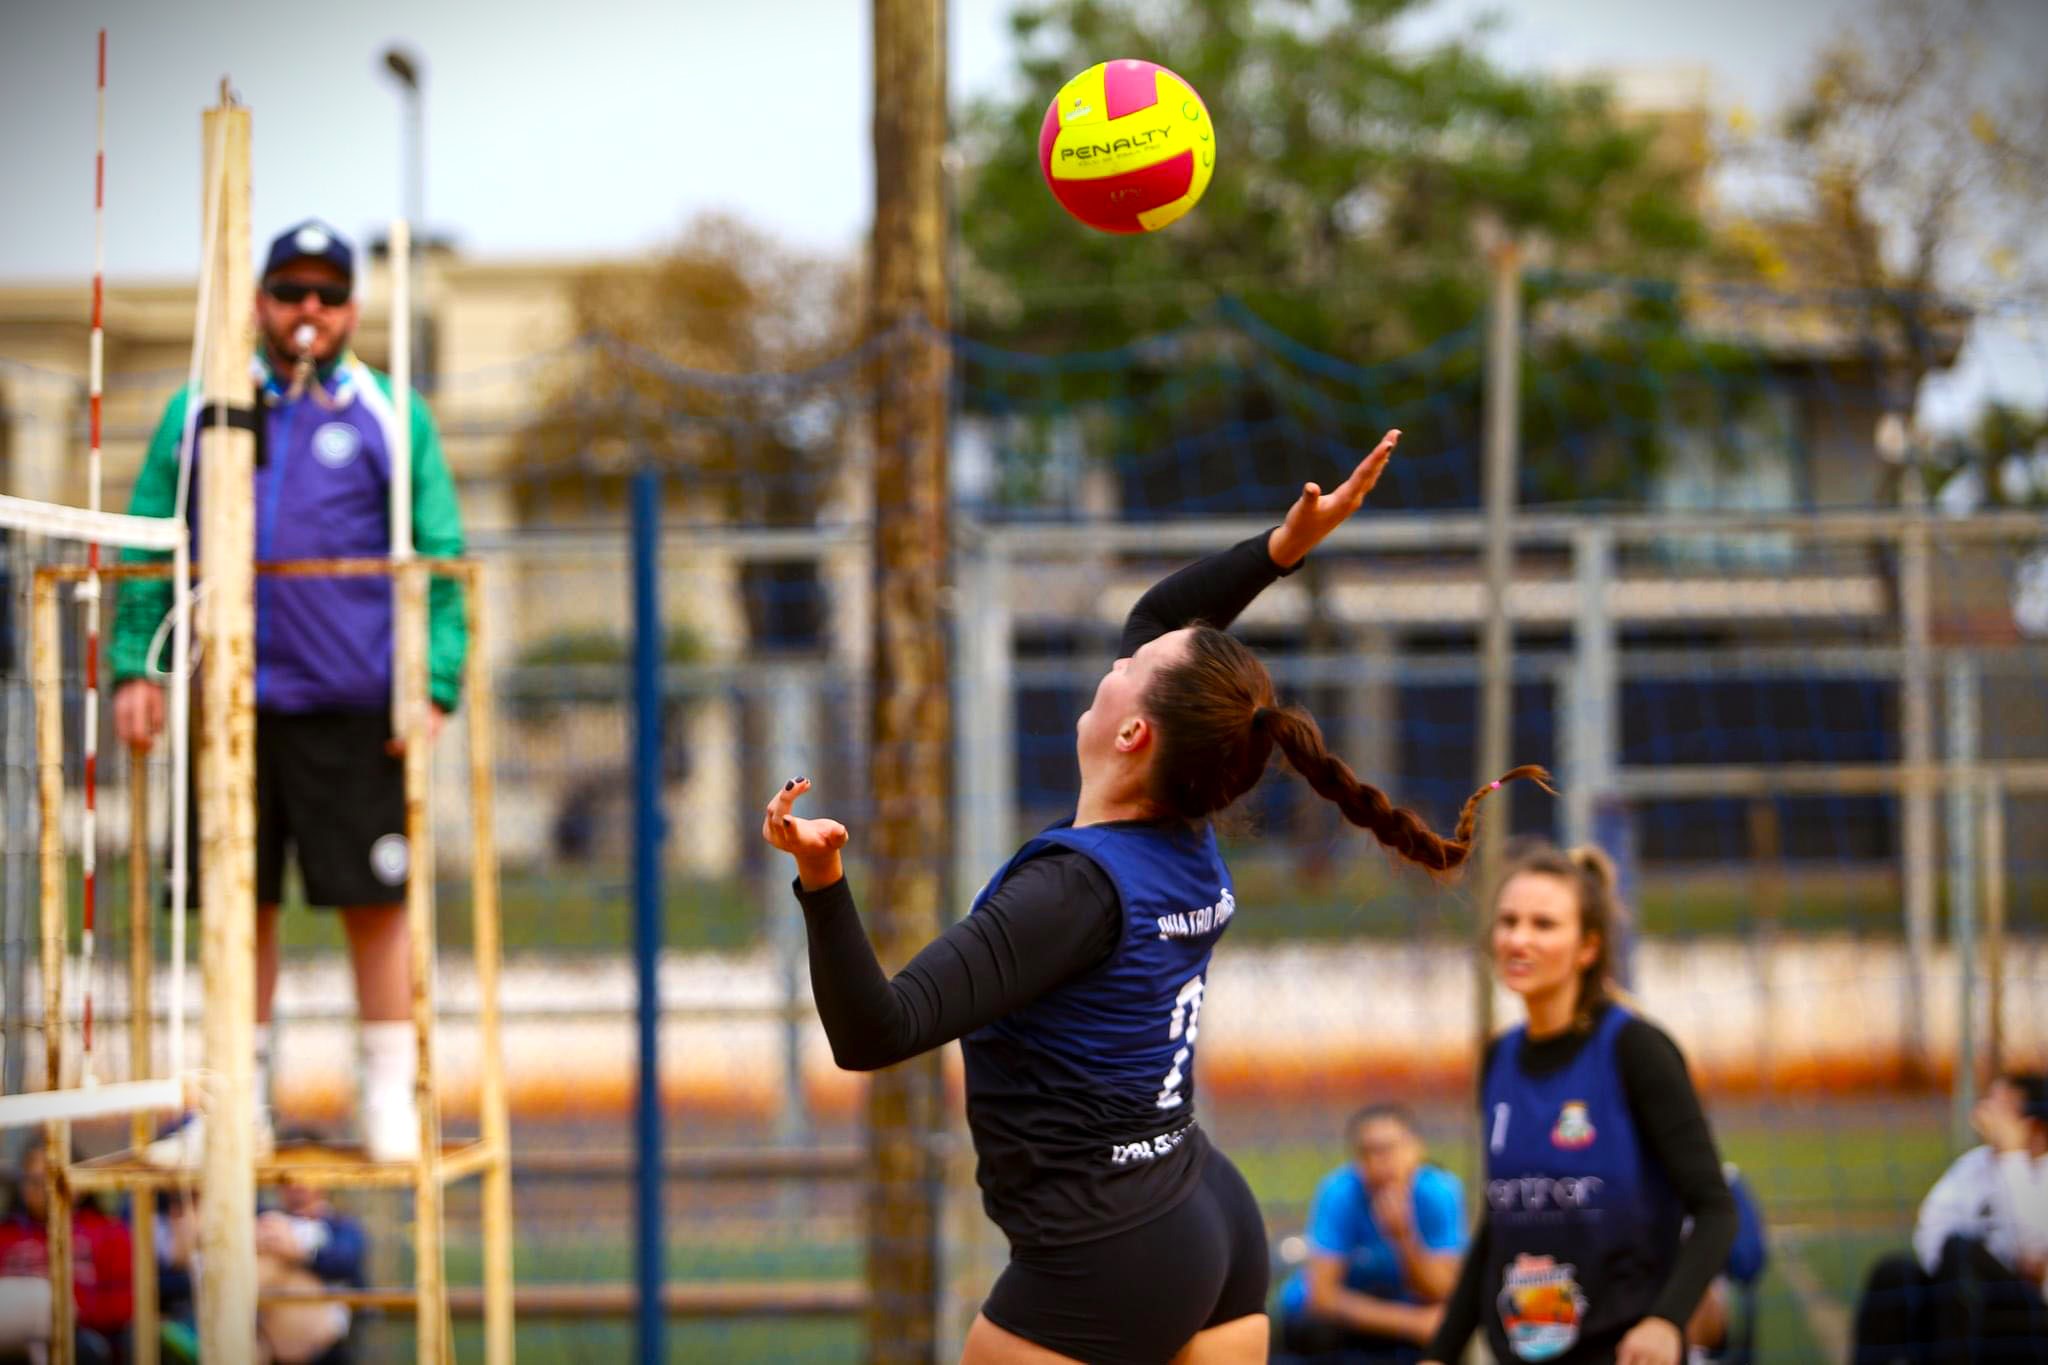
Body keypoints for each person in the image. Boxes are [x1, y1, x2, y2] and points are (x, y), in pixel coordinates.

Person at [762, 429, 1554, 1365]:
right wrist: (1280, 548)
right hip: (1203, 1213)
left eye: (1130, 665)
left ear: (1134, 729)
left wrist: (822, 884)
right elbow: (1160, 616)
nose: (1118, 655)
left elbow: (875, 1032)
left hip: (1105, 1250)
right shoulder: (1178, 834)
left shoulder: (1072, 888)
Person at [110, 218, 467, 1162]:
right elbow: (152, 536)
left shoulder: (392, 411)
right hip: (228, 706)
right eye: (290, 291)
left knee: (374, 901)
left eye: (327, 293)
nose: (308, 310)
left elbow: (439, 551)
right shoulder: (203, 406)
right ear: (260, 299)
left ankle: (389, 1095)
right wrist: (131, 664)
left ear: (351, 307)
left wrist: (430, 683)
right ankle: (236, 1101)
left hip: (353, 704)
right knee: (237, 901)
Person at [1420, 843, 1738, 1365]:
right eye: (1508, 921)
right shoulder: (1499, 1057)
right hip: (1522, 1351)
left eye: (1543, 925)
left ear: (1587, 948)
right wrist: (1440, 1352)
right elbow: (1499, 1225)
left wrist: (1665, 1321)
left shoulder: (1635, 1049)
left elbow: (1715, 1208)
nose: (1519, 938)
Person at [1851, 1072, 2048, 1365]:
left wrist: (2012, 1156)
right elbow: (1932, 1224)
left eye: (2002, 1107)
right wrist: (1956, 1273)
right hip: (1960, 1294)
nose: (1987, 1114)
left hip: (2028, 1313)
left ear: (2034, 1126)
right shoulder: (1973, 1165)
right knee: (1893, 1274)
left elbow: (2034, 1246)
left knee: (1962, 1253)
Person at [1274, 1104, 1466, 1362]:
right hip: (1338, 1326)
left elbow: (1442, 1290)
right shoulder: (1339, 1192)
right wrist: (1411, 1322)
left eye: (1390, 1149)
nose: (1381, 1162)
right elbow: (1322, 1296)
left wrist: (1404, 1238)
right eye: (1368, 1152)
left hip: (1397, 1315)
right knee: (1317, 1333)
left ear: (1417, 1149)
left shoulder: (1440, 1192)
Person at [0, 1140, 133, 1364]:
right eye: (32, 1181)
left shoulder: (109, 1232)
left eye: (50, 1180)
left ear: (77, 1181)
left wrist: (74, 1312)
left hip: (84, 1337)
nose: (41, 1190)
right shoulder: (7, 1235)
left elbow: (127, 1302)